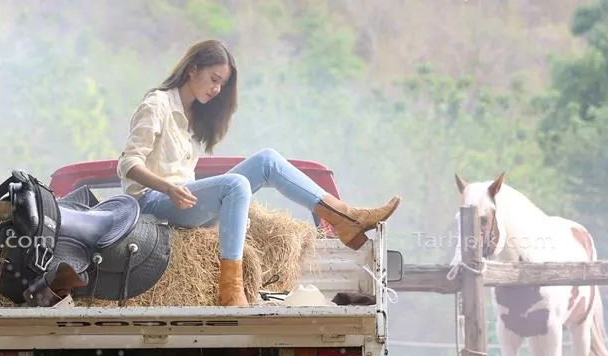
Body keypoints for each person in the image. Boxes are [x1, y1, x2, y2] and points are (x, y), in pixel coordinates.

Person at [116, 39, 400, 306]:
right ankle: (231, 290)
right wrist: (168, 188)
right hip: (152, 207)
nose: (217, 90)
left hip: (183, 205)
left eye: (222, 85)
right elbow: (128, 164)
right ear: (192, 70)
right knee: (236, 184)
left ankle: (345, 218)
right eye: (214, 80)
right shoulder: (157, 104)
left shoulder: (193, 116)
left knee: (267, 160)